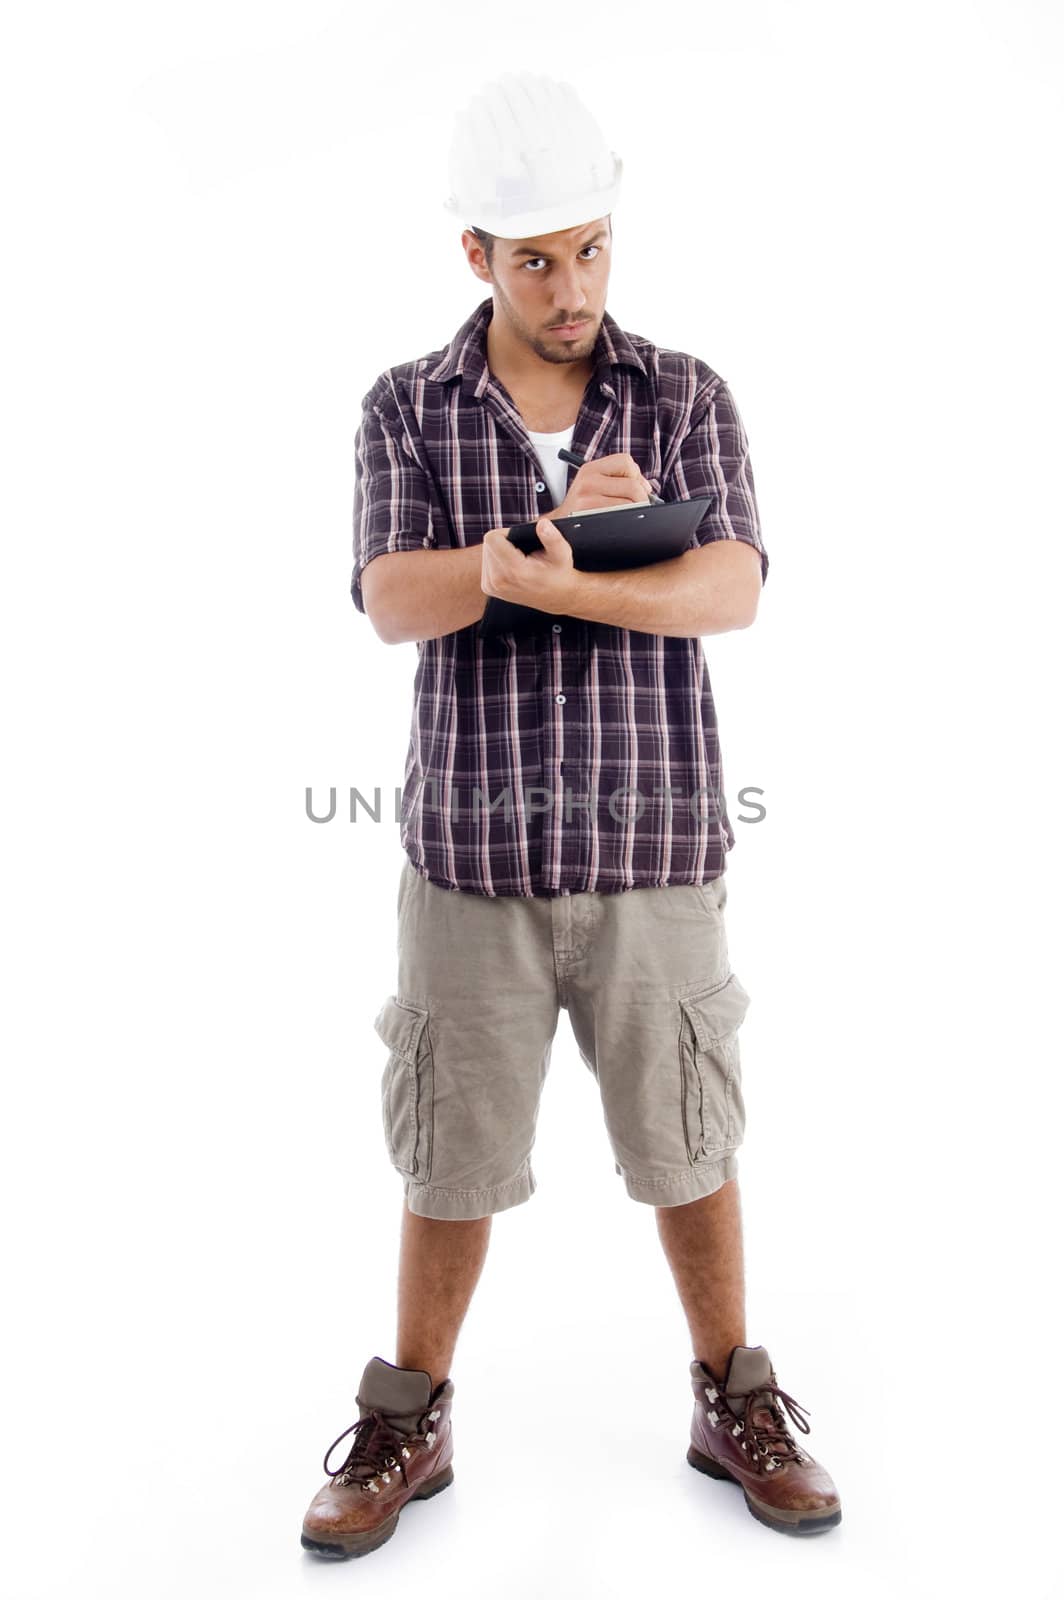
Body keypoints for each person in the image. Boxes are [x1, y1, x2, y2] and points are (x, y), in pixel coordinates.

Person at [301, 70, 841, 1559]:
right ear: (476, 254)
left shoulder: (683, 397)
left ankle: (736, 1397)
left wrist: (578, 580)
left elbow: (729, 586)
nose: (573, 287)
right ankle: (411, 1417)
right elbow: (389, 600)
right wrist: (516, 556)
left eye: (592, 249)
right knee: (447, 1155)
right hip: (468, 864)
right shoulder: (406, 409)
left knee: (690, 1137)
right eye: (538, 259)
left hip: (656, 845)